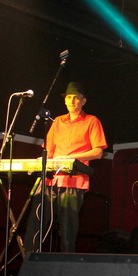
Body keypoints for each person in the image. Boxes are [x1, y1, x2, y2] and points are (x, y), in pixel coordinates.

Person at [24, 81, 107, 253]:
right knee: (35, 226)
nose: (72, 101)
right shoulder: (57, 121)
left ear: (83, 101)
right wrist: (40, 161)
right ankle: (30, 263)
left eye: (76, 98)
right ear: (64, 100)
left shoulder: (92, 121)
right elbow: (49, 150)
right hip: (50, 181)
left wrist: (70, 158)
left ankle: (65, 266)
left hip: (73, 182)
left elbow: (98, 152)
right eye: (69, 97)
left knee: (67, 233)